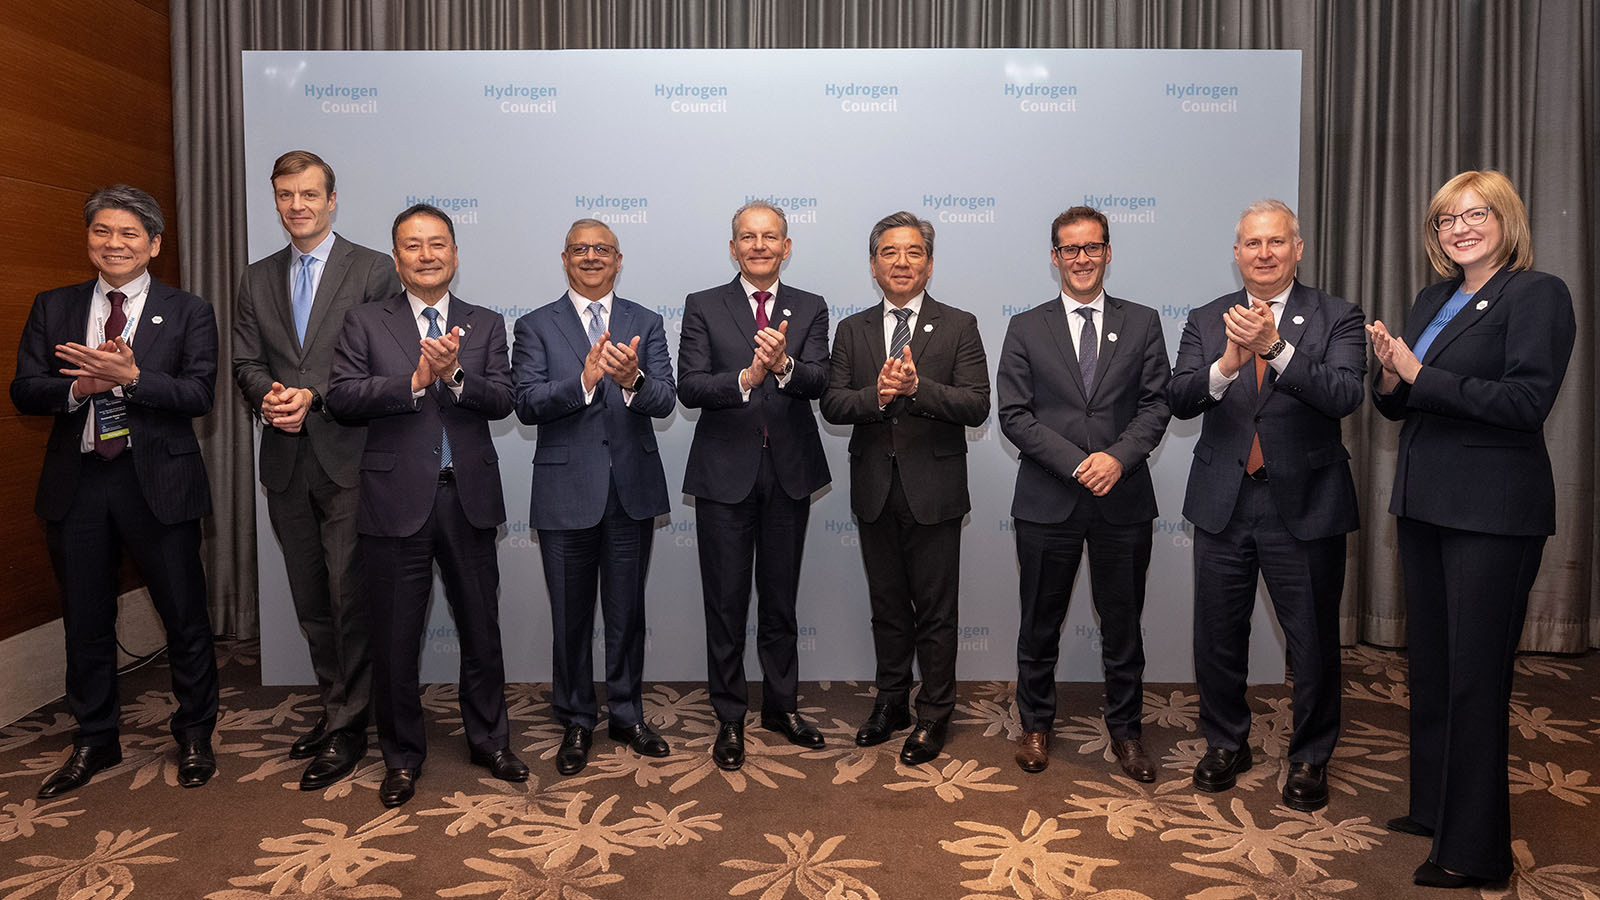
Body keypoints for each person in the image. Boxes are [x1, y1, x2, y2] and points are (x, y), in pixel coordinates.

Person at [1368, 170, 1575, 889]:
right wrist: (1391, 377)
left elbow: (1525, 401)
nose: (1459, 228)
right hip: (1426, 504)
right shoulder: (1433, 297)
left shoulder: (1536, 293)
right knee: (1430, 669)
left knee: (1473, 680)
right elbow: (1403, 401)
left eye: (1474, 214)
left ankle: (1476, 848)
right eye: (1445, 220)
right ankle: (1434, 809)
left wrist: (1418, 372)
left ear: (1505, 219)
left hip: (1493, 513)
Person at [11, 185, 220, 796]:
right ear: (89, 240)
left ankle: (196, 732)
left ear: (153, 244)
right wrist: (76, 390)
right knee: (86, 617)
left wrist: (133, 378)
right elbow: (25, 390)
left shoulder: (187, 311)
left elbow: (199, 395)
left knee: (184, 613)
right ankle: (95, 738)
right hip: (78, 484)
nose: (114, 243)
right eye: (102, 231)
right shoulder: (54, 306)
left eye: (129, 233)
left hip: (157, 480)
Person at [326, 204, 526, 808]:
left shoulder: (485, 323)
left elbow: (505, 399)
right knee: (395, 639)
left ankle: (489, 740)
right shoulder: (364, 321)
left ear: (455, 255)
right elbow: (341, 397)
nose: (426, 254)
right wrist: (414, 381)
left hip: (466, 499)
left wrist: (457, 375)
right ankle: (401, 756)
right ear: (397, 259)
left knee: (481, 630)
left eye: (438, 244)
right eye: (413, 246)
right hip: (394, 500)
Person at [1167, 199, 1364, 812]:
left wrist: (1278, 350)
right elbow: (1177, 397)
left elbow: (1345, 395)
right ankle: (1226, 742)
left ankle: (1310, 754)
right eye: (1252, 244)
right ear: (1236, 254)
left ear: (1298, 249)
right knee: (1218, 635)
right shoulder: (1206, 319)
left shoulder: (1337, 316)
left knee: (1311, 640)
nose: (1264, 253)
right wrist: (1226, 364)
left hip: (1304, 505)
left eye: (1276, 242)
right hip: (1225, 501)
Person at [232, 150, 400, 790]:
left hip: (350, 456)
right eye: (284, 195)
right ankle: (339, 709)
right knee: (311, 601)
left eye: (308, 194)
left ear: (332, 200)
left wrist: (317, 395)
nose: (295, 205)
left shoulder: (373, 270)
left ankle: (351, 725)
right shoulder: (256, 277)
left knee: (348, 596)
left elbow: (385, 360)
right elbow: (246, 360)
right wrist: (267, 395)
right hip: (284, 458)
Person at [996, 206, 1171, 778]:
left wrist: (1116, 459)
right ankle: (1036, 726)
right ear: (1054, 257)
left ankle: (1127, 734)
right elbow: (1015, 416)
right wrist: (1079, 464)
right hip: (1049, 498)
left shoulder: (1143, 322)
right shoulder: (1026, 326)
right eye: (1069, 249)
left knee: (1123, 625)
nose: (1081, 259)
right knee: (1038, 624)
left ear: (1108, 252)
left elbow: (1156, 404)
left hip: (1123, 498)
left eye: (1091, 247)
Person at [819, 211, 990, 766]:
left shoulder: (960, 325)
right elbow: (833, 403)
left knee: (936, 611)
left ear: (930, 263)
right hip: (874, 489)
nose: (901, 261)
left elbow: (976, 403)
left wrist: (917, 389)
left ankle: (935, 713)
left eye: (913, 252)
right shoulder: (853, 330)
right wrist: (880, 394)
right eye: (890, 252)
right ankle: (890, 702)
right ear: (873, 265)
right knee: (887, 607)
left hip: (935, 492)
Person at [512, 219, 677, 776]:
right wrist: (583, 382)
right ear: (564, 259)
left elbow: (665, 400)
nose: (590, 258)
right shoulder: (535, 326)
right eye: (580, 250)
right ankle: (578, 718)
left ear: (618, 259)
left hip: (630, 492)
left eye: (601, 250)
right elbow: (527, 403)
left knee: (627, 614)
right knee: (571, 617)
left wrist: (631, 380)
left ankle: (627, 713)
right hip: (564, 493)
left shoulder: (646, 322)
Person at [677, 202, 832, 770]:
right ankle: (729, 716)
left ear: (786, 247)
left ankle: (782, 706)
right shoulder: (703, 305)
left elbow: (822, 380)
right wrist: (746, 377)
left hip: (789, 472)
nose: (760, 246)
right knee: (725, 602)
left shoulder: (810, 307)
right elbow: (688, 386)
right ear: (734, 247)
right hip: (723, 474)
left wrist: (784, 365)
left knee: (780, 599)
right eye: (749, 237)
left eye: (771, 237)